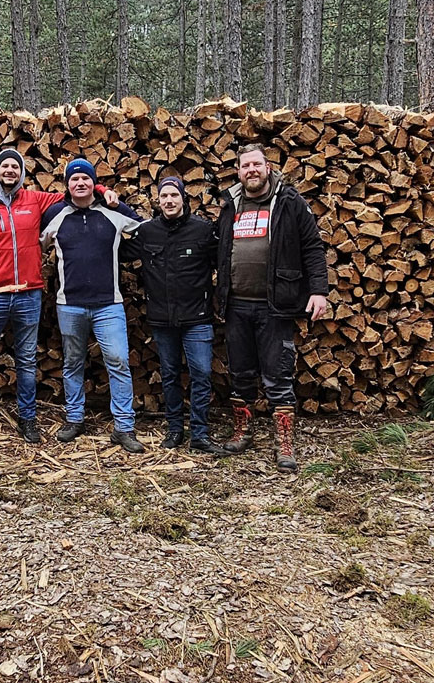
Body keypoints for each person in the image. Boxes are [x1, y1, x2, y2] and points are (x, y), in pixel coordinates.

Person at [0, 148, 113, 443]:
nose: (10, 171)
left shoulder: (34, 200)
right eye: (4, 166)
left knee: (27, 361)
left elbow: (73, 194)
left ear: (21, 173)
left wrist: (102, 187)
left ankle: (27, 419)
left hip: (28, 294)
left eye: (15, 166)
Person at [215, 143, 331, 472]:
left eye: (256, 164)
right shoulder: (231, 203)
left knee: (278, 375)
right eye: (244, 166)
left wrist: (319, 290)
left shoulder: (289, 201)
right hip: (236, 304)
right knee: (240, 372)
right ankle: (242, 431)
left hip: (275, 305)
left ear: (267, 167)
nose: (250, 170)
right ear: (238, 171)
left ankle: (284, 443)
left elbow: (312, 246)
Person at [41, 159, 145, 453]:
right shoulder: (56, 214)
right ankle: (75, 419)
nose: (80, 184)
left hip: (108, 305)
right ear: (68, 185)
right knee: (72, 363)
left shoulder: (112, 213)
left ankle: (124, 427)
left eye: (86, 179)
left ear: (93, 183)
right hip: (69, 304)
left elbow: (143, 230)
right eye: (74, 180)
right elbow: (37, 244)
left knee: (119, 361)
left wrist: (112, 201)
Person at [130, 174, 221, 454]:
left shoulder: (203, 231)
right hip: (162, 318)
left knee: (202, 373)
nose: (169, 201)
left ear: (184, 198)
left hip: (197, 317)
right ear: (158, 202)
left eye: (174, 195)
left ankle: (200, 433)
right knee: (169, 375)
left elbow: (224, 264)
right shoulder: (147, 232)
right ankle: (174, 429)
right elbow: (114, 248)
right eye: (164, 197)